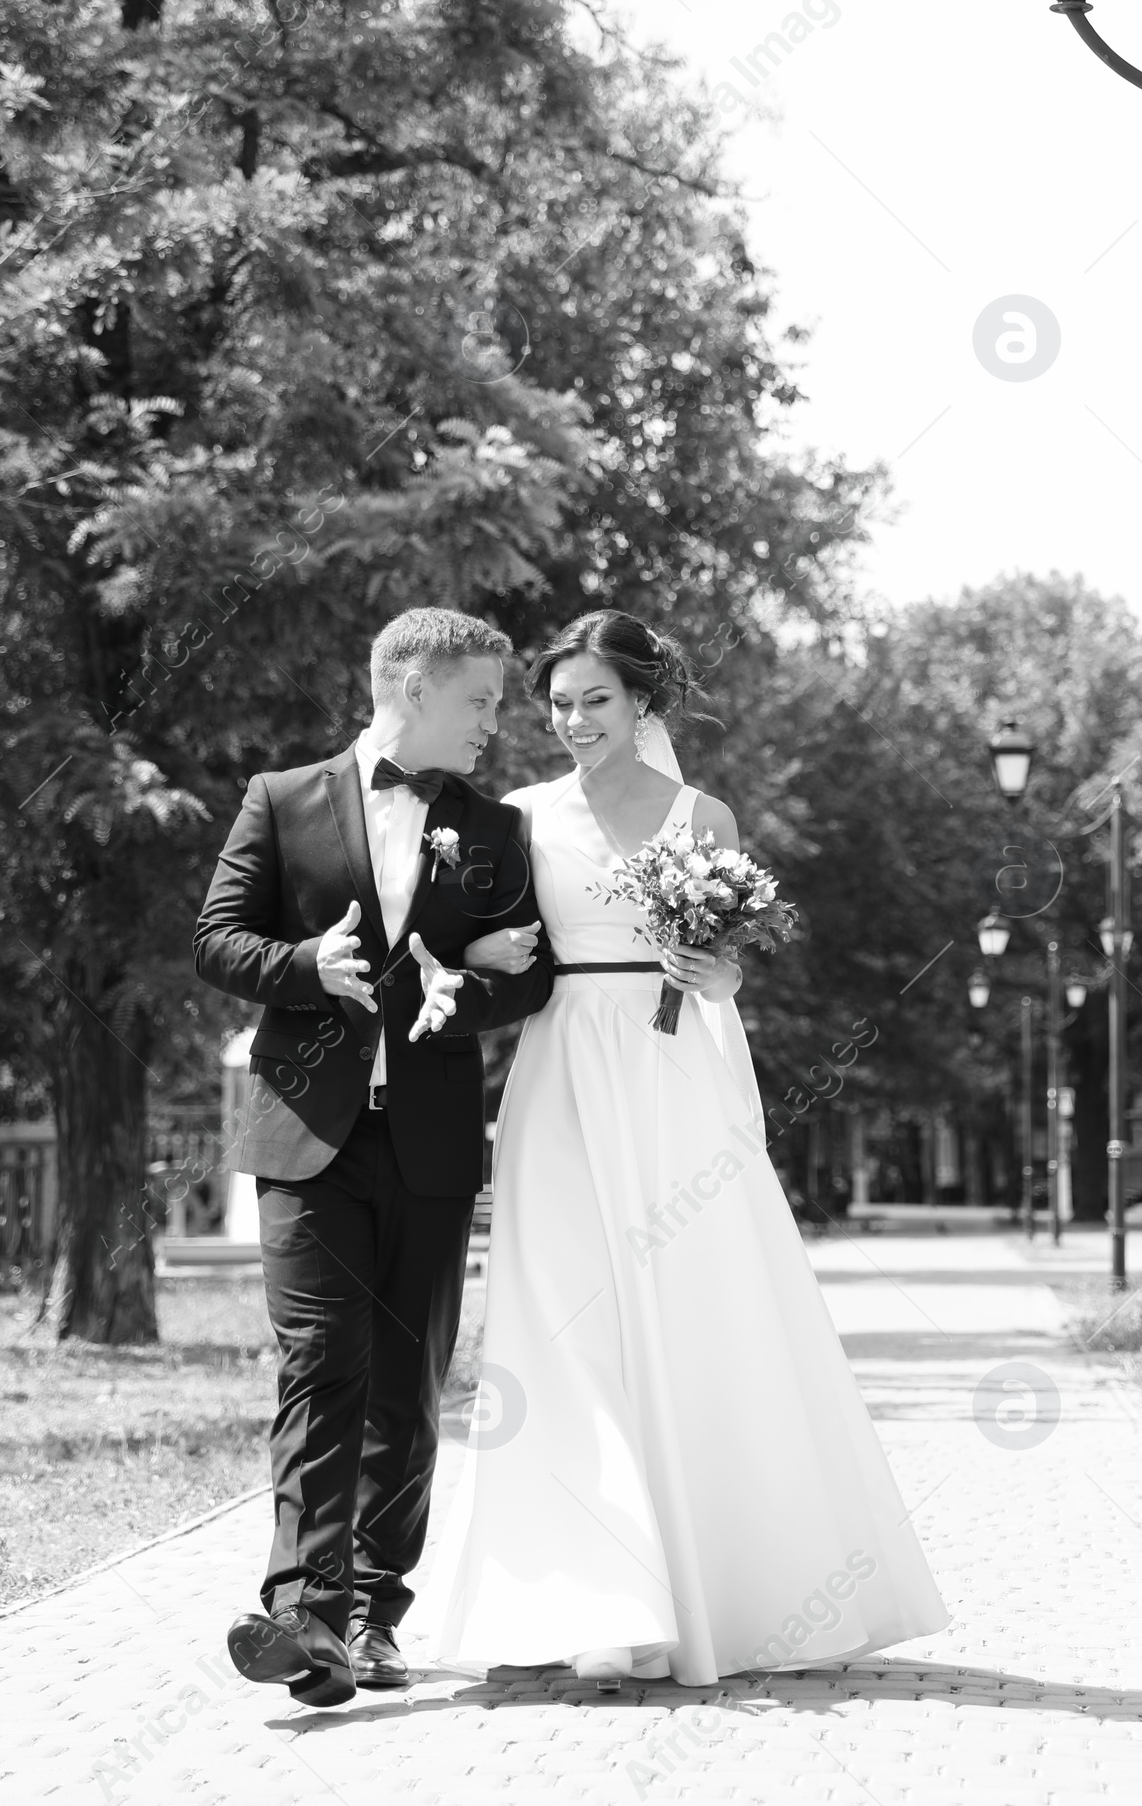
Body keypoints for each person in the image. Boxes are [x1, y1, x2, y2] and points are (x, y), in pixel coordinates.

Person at [410, 608, 946, 1687]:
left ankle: (725, 1584)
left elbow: (727, 959)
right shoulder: (516, 817)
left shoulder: (704, 814)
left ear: (640, 702)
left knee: (690, 1311)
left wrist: (724, 976)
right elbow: (490, 954)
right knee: (563, 1324)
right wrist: (474, 951)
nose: (572, 722)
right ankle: (596, 1598)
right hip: (561, 1076)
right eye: (556, 705)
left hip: (669, 1078)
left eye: (594, 701)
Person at [193, 607, 552, 1708]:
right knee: (320, 1363)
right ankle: (301, 1614)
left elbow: (533, 975)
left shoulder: (492, 830)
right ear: (409, 687)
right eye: (479, 701)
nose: (495, 722)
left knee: (405, 1386)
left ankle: (373, 1613)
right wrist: (305, 964)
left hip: (433, 1145)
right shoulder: (280, 799)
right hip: (307, 1142)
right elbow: (217, 938)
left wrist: (458, 980)